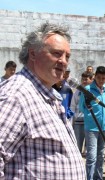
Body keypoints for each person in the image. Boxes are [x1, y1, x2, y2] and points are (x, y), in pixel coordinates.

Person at [0, 22, 85, 179]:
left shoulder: (48, 95)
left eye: (67, 56)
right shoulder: (16, 95)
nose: (64, 61)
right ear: (33, 54)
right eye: (56, 53)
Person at [79, 66, 105, 180]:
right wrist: (90, 117)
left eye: (103, 78)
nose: (101, 80)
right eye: (99, 78)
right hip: (92, 128)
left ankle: (98, 177)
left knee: (100, 155)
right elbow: (81, 106)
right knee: (91, 156)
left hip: (104, 127)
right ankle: (89, 177)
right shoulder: (87, 89)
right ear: (95, 77)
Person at [70, 71, 94, 152]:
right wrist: (71, 121)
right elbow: (72, 106)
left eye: (86, 79)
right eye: (82, 79)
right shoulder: (78, 91)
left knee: (90, 148)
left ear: (91, 80)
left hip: (90, 123)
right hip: (78, 122)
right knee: (77, 146)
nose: (84, 81)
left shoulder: (93, 91)